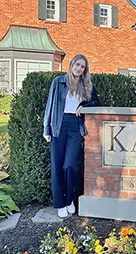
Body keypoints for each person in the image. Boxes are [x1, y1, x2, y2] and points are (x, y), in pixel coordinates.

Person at [43, 54, 100, 218]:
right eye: (77, 65)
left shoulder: (86, 85)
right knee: (57, 165)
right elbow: (50, 105)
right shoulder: (59, 82)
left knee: (70, 165)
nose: (79, 68)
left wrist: (83, 105)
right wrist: (46, 129)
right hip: (58, 125)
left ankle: (69, 200)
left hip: (75, 126)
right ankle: (60, 204)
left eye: (82, 67)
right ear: (72, 64)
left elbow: (96, 102)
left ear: (84, 70)